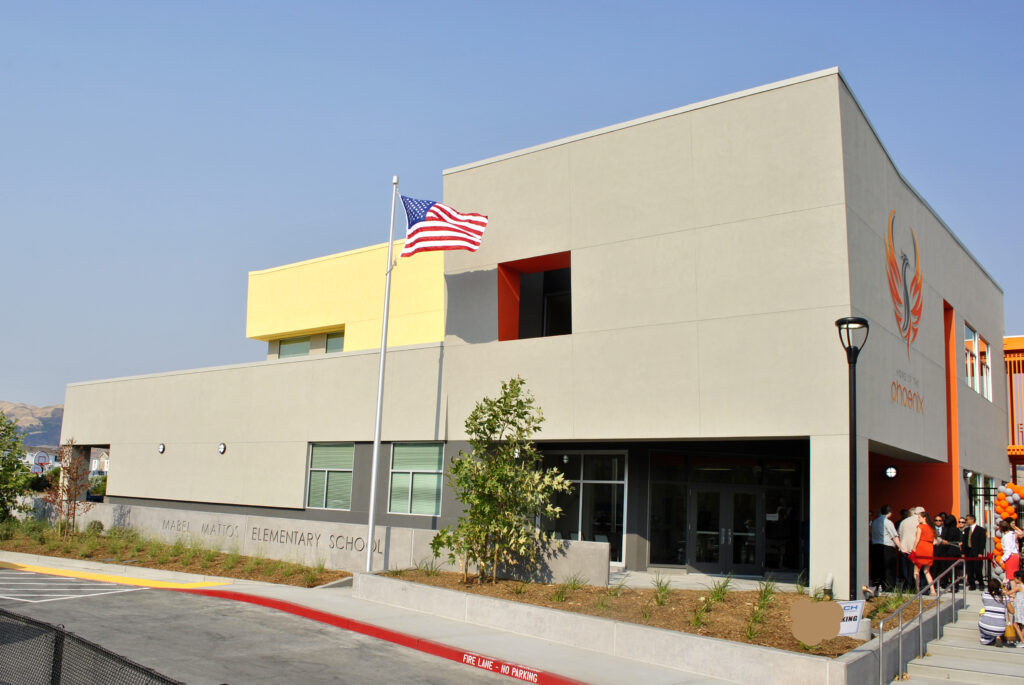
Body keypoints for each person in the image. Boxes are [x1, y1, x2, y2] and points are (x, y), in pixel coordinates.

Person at [869, 505, 900, 591]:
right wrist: (901, 547)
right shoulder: (888, 522)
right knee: (889, 569)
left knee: (878, 567)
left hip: (876, 547)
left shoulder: (874, 522)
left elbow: (871, 534)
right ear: (890, 513)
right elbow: (894, 536)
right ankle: (888, 587)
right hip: (887, 548)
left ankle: (877, 585)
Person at [978, 578, 1010, 647]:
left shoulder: (985, 595)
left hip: (985, 625)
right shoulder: (1004, 597)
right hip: (1000, 628)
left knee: (982, 617)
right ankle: (998, 636)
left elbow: (985, 602)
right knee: (998, 622)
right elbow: (1012, 611)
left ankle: (986, 640)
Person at [912, 509, 936, 596]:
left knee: (916, 570)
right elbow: (935, 541)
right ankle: (933, 590)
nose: (918, 519)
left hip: (921, 547)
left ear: (924, 518)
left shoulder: (920, 527)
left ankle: (917, 590)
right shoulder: (931, 528)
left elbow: (917, 539)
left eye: (919, 517)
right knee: (927, 571)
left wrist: (913, 548)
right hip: (929, 548)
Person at [962, 514, 988, 591]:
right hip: (968, 552)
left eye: (967, 520)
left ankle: (981, 583)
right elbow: (964, 542)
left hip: (976, 552)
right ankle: (972, 584)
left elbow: (982, 542)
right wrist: (963, 552)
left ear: (972, 520)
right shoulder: (966, 530)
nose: (966, 521)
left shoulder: (981, 530)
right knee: (969, 569)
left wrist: (980, 552)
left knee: (977, 568)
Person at [935, 513, 961, 587]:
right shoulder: (957, 530)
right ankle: (954, 584)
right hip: (954, 551)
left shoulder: (947, 529)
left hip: (947, 551)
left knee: (947, 568)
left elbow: (945, 540)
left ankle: (948, 583)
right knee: (953, 569)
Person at [898, 507, 922, 589]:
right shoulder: (919, 521)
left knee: (905, 568)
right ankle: (913, 586)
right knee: (914, 569)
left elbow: (899, 534)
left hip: (904, 547)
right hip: (915, 548)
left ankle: (906, 586)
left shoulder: (903, 521)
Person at [998, 519, 1022, 584]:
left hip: (1010, 557)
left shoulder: (1006, 537)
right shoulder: (1012, 534)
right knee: (1015, 575)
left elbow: (1008, 550)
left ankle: (1013, 593)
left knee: (1011, 577)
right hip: (1015, 556)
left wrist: (1002, 559)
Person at [1008, 570, 1024, 648]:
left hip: (1019, 608)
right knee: (1023, 625)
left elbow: (1008, 593)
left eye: (1015, 578)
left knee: (1015, 624)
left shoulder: (1019, 586)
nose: (1014, 579)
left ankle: (1023, 642)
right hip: (1022, 607)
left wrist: (1004, 589)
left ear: (1019, 578)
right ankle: (1021, 640)